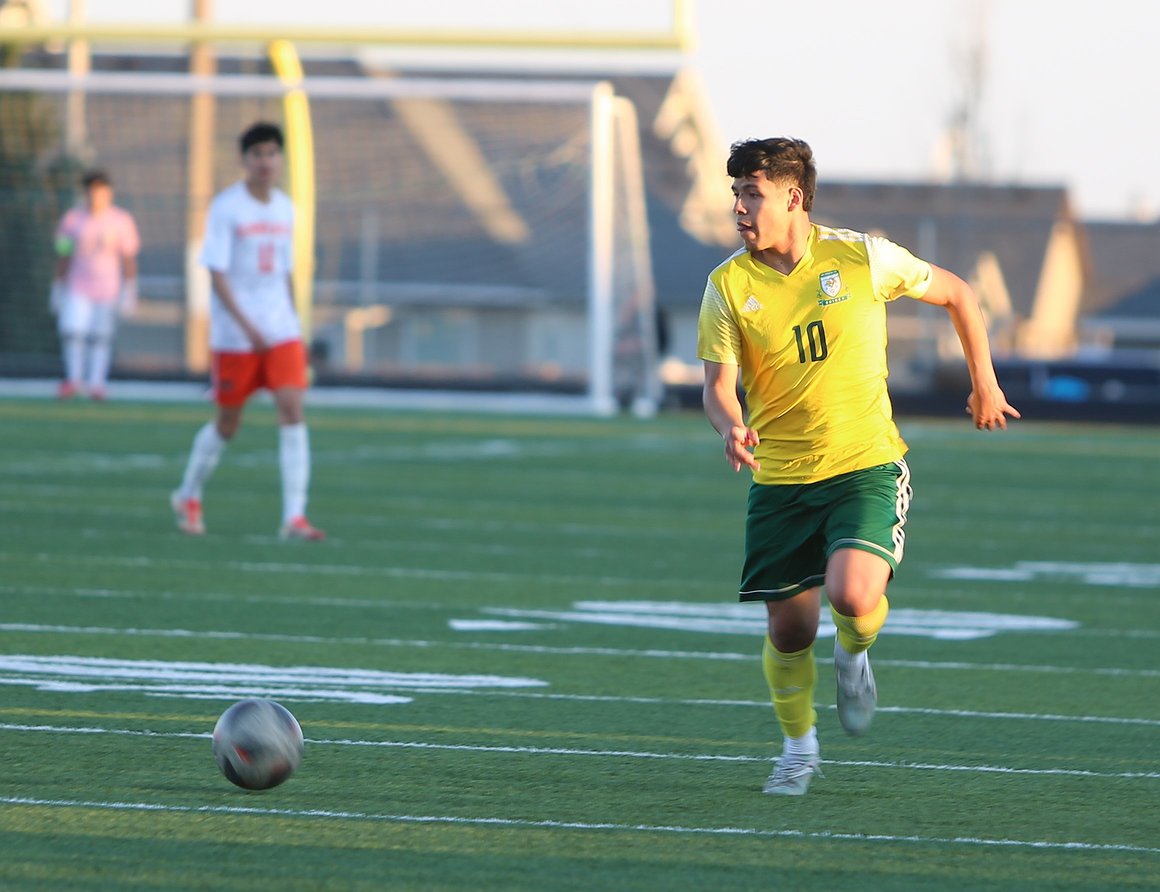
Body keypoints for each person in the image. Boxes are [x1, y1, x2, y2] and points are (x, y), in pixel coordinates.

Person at [697, 138, 1020, 796]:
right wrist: (730, 425)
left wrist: (984, 383)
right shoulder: (727, 285)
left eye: (752, 193)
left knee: (852, 594)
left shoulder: (862, 257)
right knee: (790, 630)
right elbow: (717, 386)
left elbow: (959, 294)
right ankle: (799, 748)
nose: (739, 208)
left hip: (865, 464)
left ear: (793, 197)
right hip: (781, 479)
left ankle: (855, 653)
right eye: (736, 194)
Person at [171, 121, 325, 541]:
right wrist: (246, 325)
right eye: (257, 154)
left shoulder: (287, 209)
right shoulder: (227, 208)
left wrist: (294, 323)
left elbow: (286, 271)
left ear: (281, 159)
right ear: (244, 159)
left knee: (292, 409)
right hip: (236, 336)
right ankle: (188, 493)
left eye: (272, 153)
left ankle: (294, 516)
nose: (265, 162)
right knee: (227, 424)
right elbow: (216, 273)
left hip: (280, 329)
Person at [51, 169, 140, 401]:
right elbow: (64, 254)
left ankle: (97, 383)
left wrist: (130, 289)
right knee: (73, 331)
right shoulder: (72, 219)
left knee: (101, 336)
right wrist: (57, 287)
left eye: (100, 191)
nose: (95, 196)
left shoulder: (121, 220)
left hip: (108, 288)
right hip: (77, 286)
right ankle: (74, 379)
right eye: (91, 191)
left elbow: (128, 257)